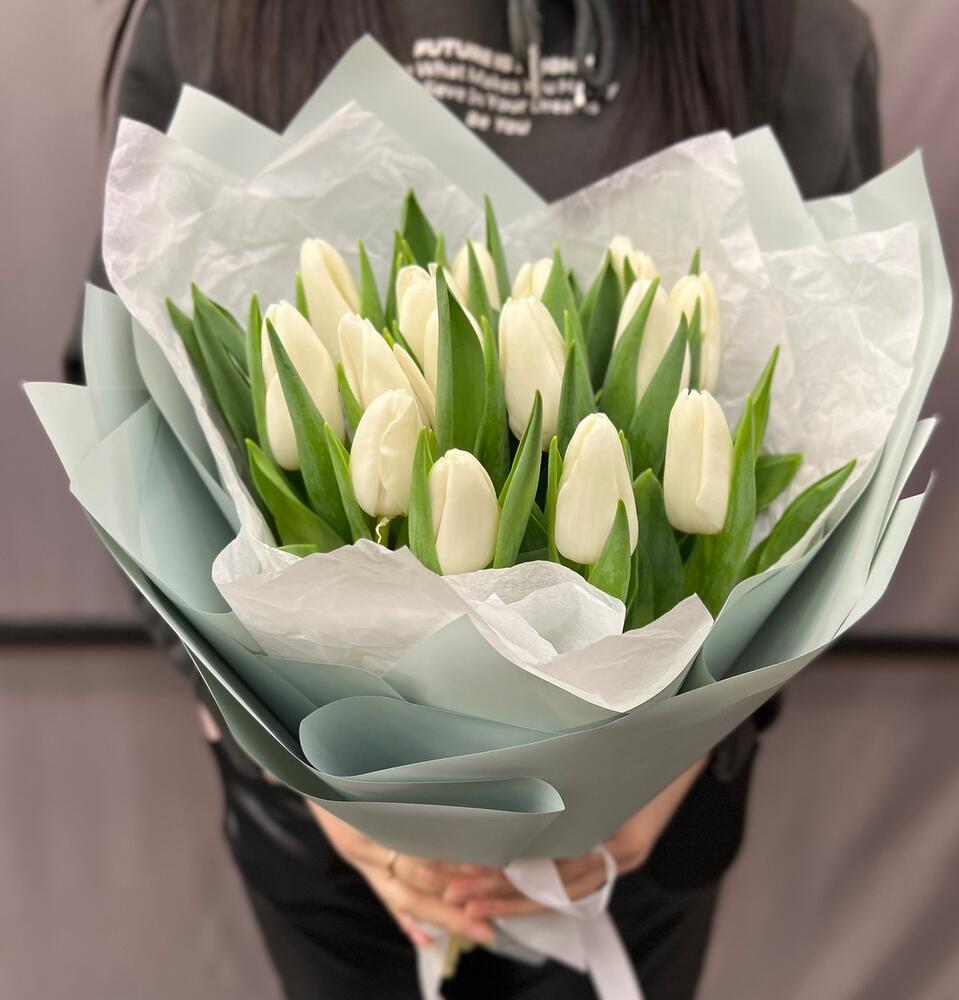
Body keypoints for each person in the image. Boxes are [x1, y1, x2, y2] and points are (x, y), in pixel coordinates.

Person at [70, 1, 881, 997]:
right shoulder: (225, 15)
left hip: (639, 839)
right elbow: (127, 400)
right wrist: (305, 767)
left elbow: (840, 407)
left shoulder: (781, 27)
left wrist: (671, 768)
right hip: (332, 847)